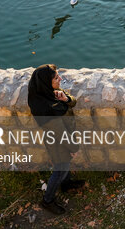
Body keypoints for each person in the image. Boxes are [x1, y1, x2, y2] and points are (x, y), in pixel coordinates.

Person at [28, 64, 85, 215]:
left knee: (65, 166)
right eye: (56, 78)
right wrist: (74, 149)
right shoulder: (45, 108)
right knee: (60, 169)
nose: (60, 79)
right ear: (47, 82)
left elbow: (73, 102)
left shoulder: (51, 92)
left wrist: (66, 98)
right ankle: (47, 200)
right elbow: (60, 133)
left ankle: (66, 185)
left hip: (65, 137)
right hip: (59, 144)